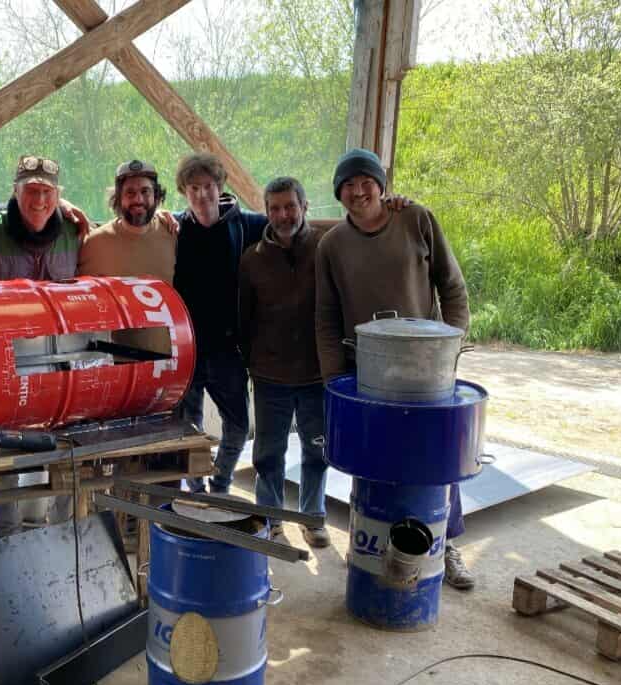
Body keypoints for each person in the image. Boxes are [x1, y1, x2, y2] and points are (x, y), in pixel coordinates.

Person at [314, 147, 474, 588]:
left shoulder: (416, 218)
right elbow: (325, 318)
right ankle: (365, 545)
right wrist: (333, 380)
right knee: (372, 457)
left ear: (381, 186)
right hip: (365, 373)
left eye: (366, 181)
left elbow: (452, 285)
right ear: (339, 194)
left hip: (426, 369)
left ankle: (446, 545)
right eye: (348, 185)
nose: (358, 190)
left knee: (435, 455)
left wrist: (451, 344)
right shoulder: (332, 245)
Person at [0, 154, 83, 537]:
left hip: (59, 359)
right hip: (1, 365)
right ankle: (7, 531)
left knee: (61, 447)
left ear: (58, 195)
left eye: (47, 192)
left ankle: (58, 530)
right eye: (30, 190)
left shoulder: (74, 230)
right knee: (4, 450)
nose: (39, 200)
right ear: (15, 192)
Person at [238, 177, 329, 547]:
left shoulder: (325, 249)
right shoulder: (252, 260)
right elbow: (244, 317)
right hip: (269, 374)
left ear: (304, 207)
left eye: (290, 206)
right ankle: (271, 519)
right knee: (269, 453)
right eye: (274, 208)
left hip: (316, 374)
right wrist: (251, 361)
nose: (282, 215)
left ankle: (313, 518)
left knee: (318, 450)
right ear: (267, 212)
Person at [172, 153, 265, 494]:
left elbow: (290, 225)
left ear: (220, 187)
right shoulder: (175, 229)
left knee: (238, 425)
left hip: (227, 350)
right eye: (193, 188)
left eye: (208, 186)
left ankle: (221, 482)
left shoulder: (246, 225)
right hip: (187, 350)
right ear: (184, 191)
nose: (202, 195)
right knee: (187, 429)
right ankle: (195, 489)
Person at [78, 159, 176, 284]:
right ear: (118, 198)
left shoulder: (172, 232)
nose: (138, 199)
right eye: (130, 192)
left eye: (145, 191)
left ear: (156, 196)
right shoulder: (94, 243)